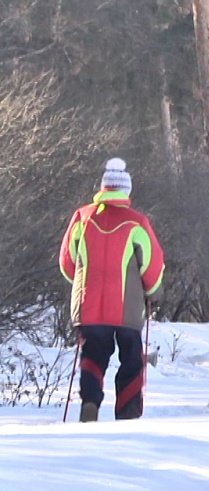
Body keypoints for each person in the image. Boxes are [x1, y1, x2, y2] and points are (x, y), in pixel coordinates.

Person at [59, 158, 164, 422]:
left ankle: (90, 403)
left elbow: (66, 262)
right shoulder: (137, 223)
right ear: (126, 191)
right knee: (130, 359)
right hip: (126, 310)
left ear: (103, 188)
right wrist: (153, 292)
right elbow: (152, 265)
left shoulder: (81, 218)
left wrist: (83, 282)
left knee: (93, 355)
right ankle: (127, 411)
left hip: (89, 305)